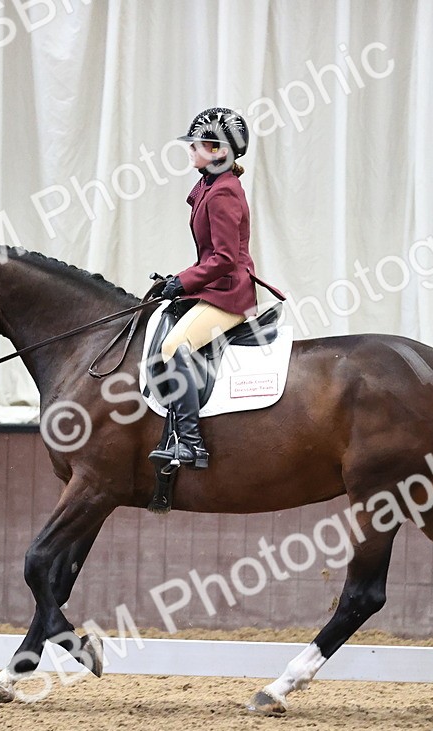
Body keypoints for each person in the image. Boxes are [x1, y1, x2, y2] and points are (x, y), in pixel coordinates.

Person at [147, 107, 285, 471]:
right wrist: (176, 279)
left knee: (175, 345)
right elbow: (210, 255)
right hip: (214, 288)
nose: (190, 149)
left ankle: (190, 443)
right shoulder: (210, 185)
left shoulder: (224, 192)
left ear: (221, 151)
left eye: (198, 144)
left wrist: (184, 282)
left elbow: (224, 258)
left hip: (229, 295)